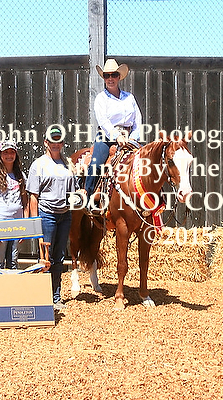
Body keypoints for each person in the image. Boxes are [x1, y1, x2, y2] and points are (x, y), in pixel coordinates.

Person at [26, 128, 77, 310]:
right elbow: (33, 196)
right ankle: (43, 297)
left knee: (59, 256)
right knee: (45, 257)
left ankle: (55, 296)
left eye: (59, 140)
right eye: (52, 140)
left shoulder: (68, 164)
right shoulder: (38, 164)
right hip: (46, 214)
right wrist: (35, 222)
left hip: (64, 214)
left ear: (62, 143)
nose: (56, 144)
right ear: (45, 142)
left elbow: (73, 191)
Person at [84, 59, 143, 206]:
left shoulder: (129, 97)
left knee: (146, 163)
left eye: (114, 75)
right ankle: (88, 197)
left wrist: (133, 138)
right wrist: (117, 136)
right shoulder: (101, 98)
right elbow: (103, 121)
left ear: (119, 77)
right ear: (104, 78)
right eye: (107, 75)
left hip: (130, 137)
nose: (110, 79)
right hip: (106, 137)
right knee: (96, 164)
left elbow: (138, 120)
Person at [0, 140, 29, 270]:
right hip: (1, 223)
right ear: (0, 155)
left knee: (13, 260)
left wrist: (25, 225)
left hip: (17, 223)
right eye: (6, 152)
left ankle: (12, 283)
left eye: (12, 152)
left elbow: (25, 202)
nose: (9, 155)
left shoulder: (21, 175)